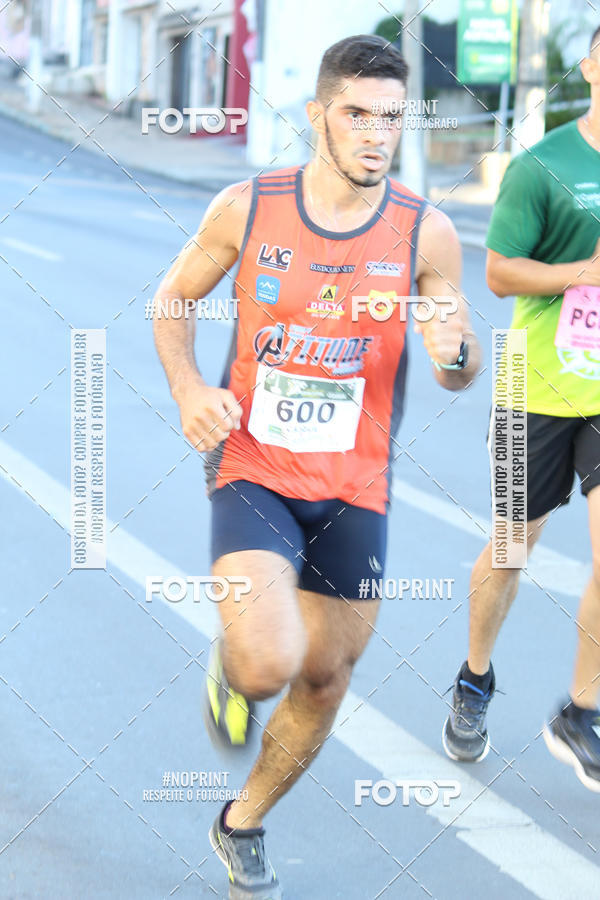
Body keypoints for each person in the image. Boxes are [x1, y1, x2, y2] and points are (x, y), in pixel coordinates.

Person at [154, 34, 480, 899]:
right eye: (358, 116)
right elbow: (172, 298)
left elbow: (456, 359)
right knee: (266, 663)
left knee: (325, 679)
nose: (377, 135)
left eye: (392, 119)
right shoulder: (247, 207)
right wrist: (190, 388)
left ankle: (242, 820)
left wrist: (457, 352)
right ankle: (238, 658)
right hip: (253, 464)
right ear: (317, 116)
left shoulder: (425, 229)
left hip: (355, 485)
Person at [443, 26, 600, 792]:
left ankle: (582, 710)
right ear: (590, 66)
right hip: (533, 386)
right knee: (510, 548)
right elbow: (500, 273)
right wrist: (587, 273)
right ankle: (474, 679)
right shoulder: (545, 166)